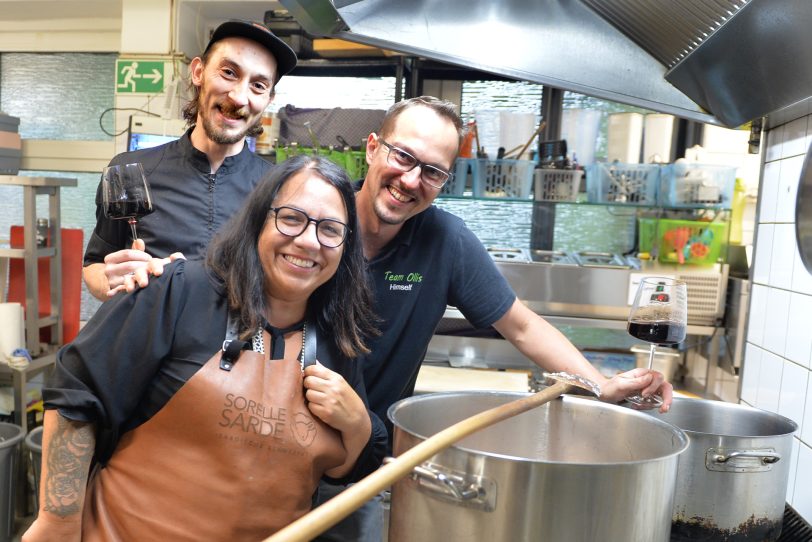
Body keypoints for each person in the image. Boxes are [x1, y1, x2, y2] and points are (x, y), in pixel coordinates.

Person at [313, 96, 675, 541]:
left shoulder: (444, 241)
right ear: (372, 148)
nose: (410, 180)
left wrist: (600, 387)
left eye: (432, 172)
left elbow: (522, 326)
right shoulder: (317, 220)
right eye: (403, 155)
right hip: (276, 449)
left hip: (361, 468)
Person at [23, 155, 386, 541]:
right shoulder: (177, 290)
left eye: (330, 229)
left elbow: (341, 469)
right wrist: (58, 522)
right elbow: (78, 395)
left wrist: (358, 423)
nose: (309, 241)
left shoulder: (338, 340)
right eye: (292, 218)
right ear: (259, 219)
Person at [83, 19, 297, 301]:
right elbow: (95, 263)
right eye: (229, 72)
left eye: (258, 85)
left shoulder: (279, 189)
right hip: (149, 342)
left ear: (269, 99)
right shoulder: (130, 172)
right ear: (198, 72)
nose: (239, 97)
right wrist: (111, 282)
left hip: (236, 343)